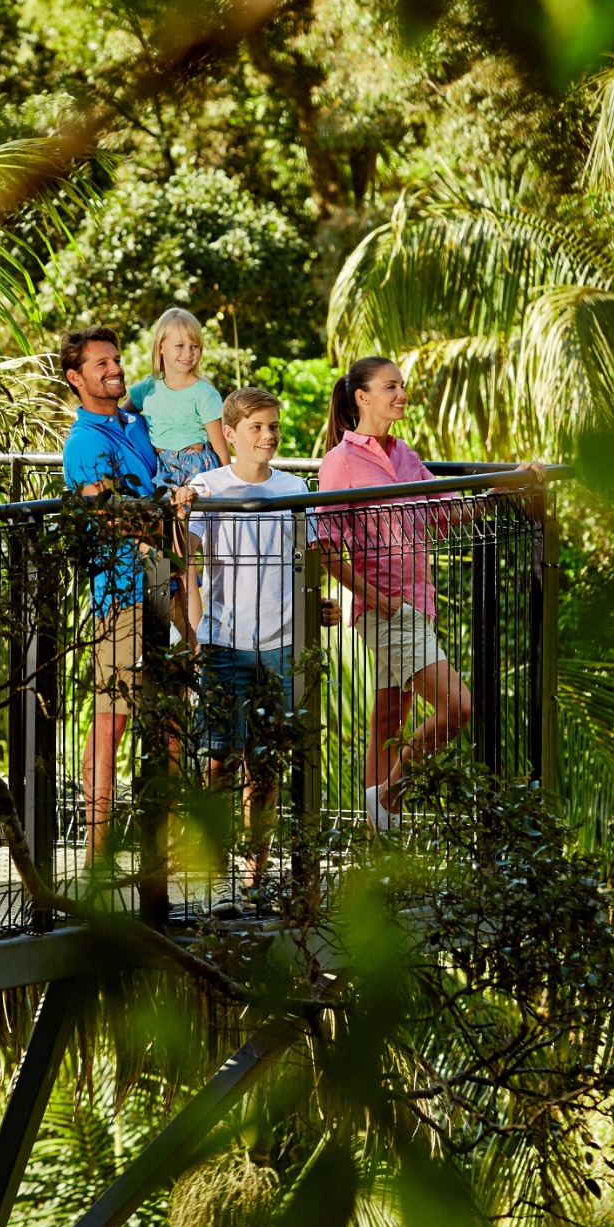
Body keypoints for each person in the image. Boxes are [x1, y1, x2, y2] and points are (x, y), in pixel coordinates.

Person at [313, 356, 473, 831]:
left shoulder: (405, 454)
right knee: (458, 707)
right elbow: (324, 546)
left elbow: (446, 511)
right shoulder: (340, 463)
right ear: (362, 398)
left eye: (401, 386)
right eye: (390, 387)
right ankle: (390, 799)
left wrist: (510, 486)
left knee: (387, 723)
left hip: (417, 602)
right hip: (385, 610)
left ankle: (376, 838)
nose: (401, 394)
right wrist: (375, 599)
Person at [185, 386, 327, 889]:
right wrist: (179, 510)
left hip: (284, 643)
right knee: (220, 757)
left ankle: (254, 869)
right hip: (226, 637)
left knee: (267, 763)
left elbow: (310, 561)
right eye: (256, 427)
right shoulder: (209, 485)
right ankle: (212, 861)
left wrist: (319, 606)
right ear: (229, 434)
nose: (267, 436)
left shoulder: (294, 489)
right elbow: (185, 553)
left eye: (273, 426)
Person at [59, 325, 187, 865]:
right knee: (113, 718)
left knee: (176, 714)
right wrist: (169, 511)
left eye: (115, 360)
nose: (114, 370)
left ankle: (175, 846)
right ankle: (98, 851)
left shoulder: (137, 423)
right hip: (123, 595)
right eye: (100, 364)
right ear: (76, 377)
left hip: (172, 585)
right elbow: (110, 515)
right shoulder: (84, 441)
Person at [126, 307, 230, 488]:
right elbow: (115, 415)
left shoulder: (204, 393)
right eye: (180, 345)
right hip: (160, 468)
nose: (188, 353)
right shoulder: (147, 388)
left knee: (195, 516)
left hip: (197, 468)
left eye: (194, 346)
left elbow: (221, 449)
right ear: (161, 347)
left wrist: (230, 488)